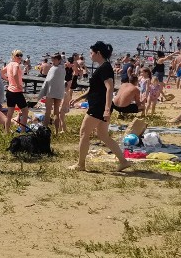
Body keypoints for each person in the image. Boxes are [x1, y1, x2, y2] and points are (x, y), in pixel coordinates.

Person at [71, 41, 130, 172]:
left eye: (91, 53)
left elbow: (109, 89)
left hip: (99, 107)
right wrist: (79, 98)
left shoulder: (105, 68)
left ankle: (80, 164)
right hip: (99, 105)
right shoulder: (102, 67)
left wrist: (107, 109)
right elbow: (95, 89)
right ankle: (123, 161)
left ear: (98, 53)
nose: (90, 55)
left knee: (83, 133)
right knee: (103, 135)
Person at [38, 53, 66, 134]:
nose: (53, 61)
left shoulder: (54, 68)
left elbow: (48, 81)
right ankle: (56, 131)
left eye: (54, 60)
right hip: (59, 92)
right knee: (56, 112)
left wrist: (42, 92)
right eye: (52, 60)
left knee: (48, 112)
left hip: (51, 92)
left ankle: (45, 131)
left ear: (59, 60)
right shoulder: (63, 68)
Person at [3, 49, 29, 131]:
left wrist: (8, 80)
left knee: (10, 113)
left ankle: (7, 131)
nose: (20, 57)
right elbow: (14, 74)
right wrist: (18, 85)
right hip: (16, 92)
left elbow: (1, 72)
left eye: (21, 55)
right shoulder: (16, 65)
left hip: (9, 91)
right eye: (17, 55)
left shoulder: (9, 64)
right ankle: (23, 131)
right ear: (13, 56)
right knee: (25, 111)